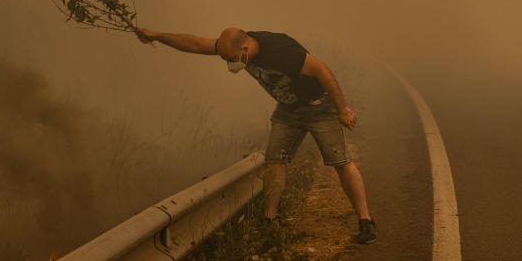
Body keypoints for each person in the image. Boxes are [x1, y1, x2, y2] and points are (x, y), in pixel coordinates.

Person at [134, 26, 377, 244]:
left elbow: (323, 71)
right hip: (288, 110)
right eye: (226, 59)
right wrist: (156, 35)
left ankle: (365, 220)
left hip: (318, 107)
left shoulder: (281, 51)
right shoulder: (233, 44)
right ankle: (269, 221)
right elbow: (196, 43)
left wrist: (342, 110)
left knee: (340, 162)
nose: (231, 64)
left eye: (234, 59)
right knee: (274, 161)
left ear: (246, 47)